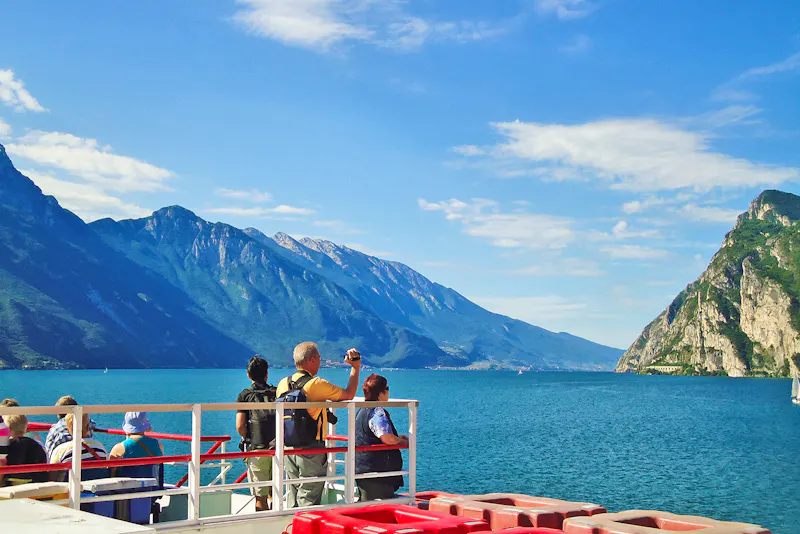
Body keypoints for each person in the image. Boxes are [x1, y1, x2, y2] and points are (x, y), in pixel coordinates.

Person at [276, 342, 362, 508]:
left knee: (293, 495)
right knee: (309, 499)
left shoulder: (282, 384)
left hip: (288, 448)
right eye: (319, 359)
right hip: (311, 449)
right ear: (311, 360)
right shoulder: (316, 384)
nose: (320, 362)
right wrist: (355, 367)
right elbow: (349, 394)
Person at [355, 374, 407, 501]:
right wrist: (402, 441)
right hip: (378, 474)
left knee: (366, 503)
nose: (388, 391)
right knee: (377, 507)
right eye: (387, 388)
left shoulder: (361, 410)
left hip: (363, 469)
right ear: (380, 393)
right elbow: (387, 438)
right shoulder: (377, 412)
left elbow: (371, 434)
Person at [235, 355, 276, 511]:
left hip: (257, 448)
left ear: (248, 375)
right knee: (276, 490)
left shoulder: (245, 395)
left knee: (260, 496)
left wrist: (246, 437)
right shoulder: (276, 392)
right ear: (267, 374)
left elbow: (240, 425)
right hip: (277, 448)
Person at [49, 413, 109, 481]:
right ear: (88, 427)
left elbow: (51, 478)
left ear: (68, 430)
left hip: (69, 490)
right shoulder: (100, 447)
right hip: (96, 490)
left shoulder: (60, 450)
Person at [109, 412, 164, 480]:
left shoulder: (120, 448)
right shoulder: (158, 444)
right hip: (152, 487)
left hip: (128, 489)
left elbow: (111, 474)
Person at [5, 414, 48, 483]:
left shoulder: (5, 446)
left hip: (9, 485)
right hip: (34, 486)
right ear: (26, 428)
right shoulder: (37, 446)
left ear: (8, 428)